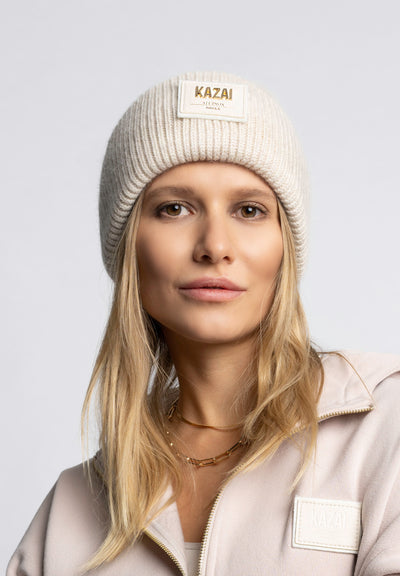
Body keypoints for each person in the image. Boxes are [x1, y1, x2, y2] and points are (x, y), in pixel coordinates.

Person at [7, 72, 400, 576]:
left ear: (285, 246)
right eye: (174, 208)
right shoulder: (69, 510)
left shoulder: (381, 422)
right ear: (129, 248)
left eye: (249, 210)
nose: (215, 245)